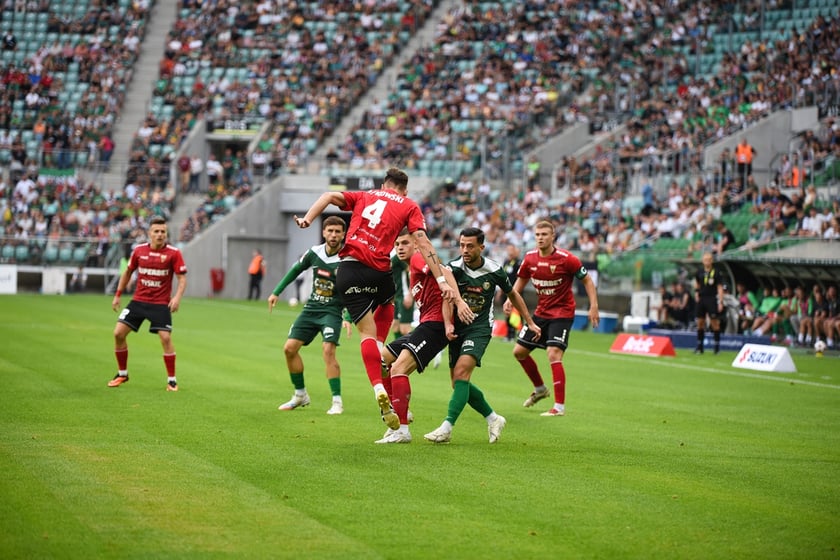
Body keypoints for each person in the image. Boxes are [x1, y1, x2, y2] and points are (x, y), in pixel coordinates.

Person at [293, 167, 463, 431]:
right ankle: (383, 351)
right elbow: (424, 242)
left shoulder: (363, 196)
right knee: (386, 307)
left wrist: (307, 219)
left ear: (384, 185)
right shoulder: (409, 205)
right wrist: (441, 279)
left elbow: (327, 196)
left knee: (366, 335)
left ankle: (378, 389)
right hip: (379, 272)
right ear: (403, 189)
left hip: (348, 269)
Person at [424, 227, 541, 444]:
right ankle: (493, 418)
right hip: (458, 329)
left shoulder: (494, 270)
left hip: (479, 329)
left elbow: (513, 294)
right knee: (458, 382)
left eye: (470, 246)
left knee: (461, 373)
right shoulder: (453, 269)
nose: (465, 250)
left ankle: (447, 427)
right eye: (461, 245)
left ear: (481, 247)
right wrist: (448, 324)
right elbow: (446, 298)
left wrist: (530, 322)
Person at [377, 229, 472, 443]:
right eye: (397, 244)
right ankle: (400, 411)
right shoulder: (412, 267)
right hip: (426, 324)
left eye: (404, 243)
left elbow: (445, 274)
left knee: (398, 368)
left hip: (435, 325)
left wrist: (458, 301)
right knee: (382, 358)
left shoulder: (420, 258)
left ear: (416, 245)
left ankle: (402, 429)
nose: (399, 247)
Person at [505, 220, 600, 417]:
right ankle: (540, 389)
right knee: (519, 352)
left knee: (553, 354)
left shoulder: (567, 259)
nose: (540, 238)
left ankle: (559, 407)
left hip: (562, 313)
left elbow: (587, 280)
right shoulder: (530, 259)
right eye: (537, 234)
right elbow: (521, 280)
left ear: (553, 237)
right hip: (541, 313)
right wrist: (510, 299)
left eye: (544, 234)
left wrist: (594, 306)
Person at [268, 216, 350, 415]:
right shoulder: (314, 253)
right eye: (330, 231)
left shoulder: (348, 259)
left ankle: (337, 401)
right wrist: (276, 291)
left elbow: (352, 289)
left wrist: (347, 317)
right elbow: (296, 269)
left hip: (332, 311)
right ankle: (300, 394)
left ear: (343, 234)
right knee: (289, 349)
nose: (333, 235)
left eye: (338, 231)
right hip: (311, 308)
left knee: (328, 350)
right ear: (323, 232)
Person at [108, 216, 188, 391]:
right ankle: (122, 374)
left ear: (166, 233)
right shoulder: (138, 251)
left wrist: (176, 298)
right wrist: (118, 295)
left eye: (163, 232)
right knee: (118, 334)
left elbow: (182, 279)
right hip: (138, 301)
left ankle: (172, 381)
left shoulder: (173, 253)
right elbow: (128, 272)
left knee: (165, 338)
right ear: (149, 233)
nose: (160, 235)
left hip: (160, 303)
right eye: (156, 231)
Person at [693, 252, 725, 354]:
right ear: (702, 261)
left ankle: (716, 347)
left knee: (714, 322)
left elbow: (720, 288)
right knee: (700, 323)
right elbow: (697, 284)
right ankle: (700, 346)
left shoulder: (716, 272)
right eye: (705, 259)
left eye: (709, 259)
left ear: (712, 261)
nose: (707, 261)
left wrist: (720, 301)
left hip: (711, 299)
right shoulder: (699, 272)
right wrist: (696, 294)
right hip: (702, 299)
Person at [390, 232, 414, 340]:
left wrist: (410, 295)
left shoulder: (401, 257)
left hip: (405, 296)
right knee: (395, 326)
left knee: (405, 329)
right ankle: (398, 354)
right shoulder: (393, 253)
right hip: (397, 296)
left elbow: (411, 273)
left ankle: (416, 350)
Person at [496, 243, 522, 341]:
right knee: (507, 311)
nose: (510, 252)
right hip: (505, 291)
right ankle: (509, 334)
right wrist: (500, 291)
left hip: (515, 292)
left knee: (516, 312)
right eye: (508, 249)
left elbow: (520, 278)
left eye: (512, 249)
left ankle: (516, 332)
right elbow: (503, 276)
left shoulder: (518, 263)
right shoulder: (506, 262)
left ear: (515, 251)